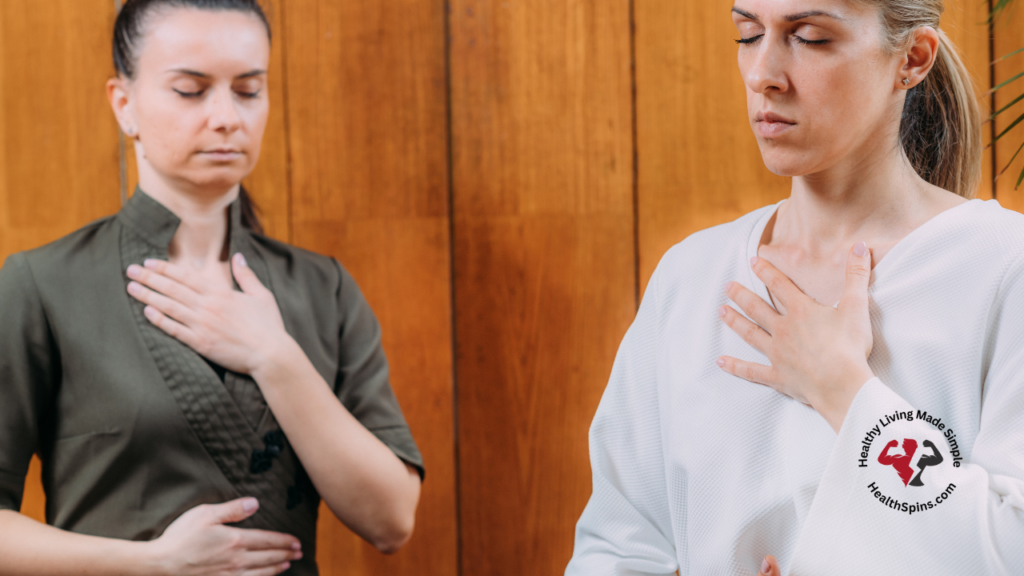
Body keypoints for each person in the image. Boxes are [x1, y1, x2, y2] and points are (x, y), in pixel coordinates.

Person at [565, 1, 1024, 575]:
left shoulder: (1006, 268)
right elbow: (616, 549)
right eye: (748, 34)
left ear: (912, 58)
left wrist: (846, 392)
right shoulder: (691, 278)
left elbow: (1011, 549)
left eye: (808, 38)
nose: (763, 74)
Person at [0, 1, 423, 574]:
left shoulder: (323, 288)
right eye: (191, 90)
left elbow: (392, 520)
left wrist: (273, 357)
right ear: (124, 104)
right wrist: (150, 563)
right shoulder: (44, 285)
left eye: (249, 90)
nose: (227, 117)